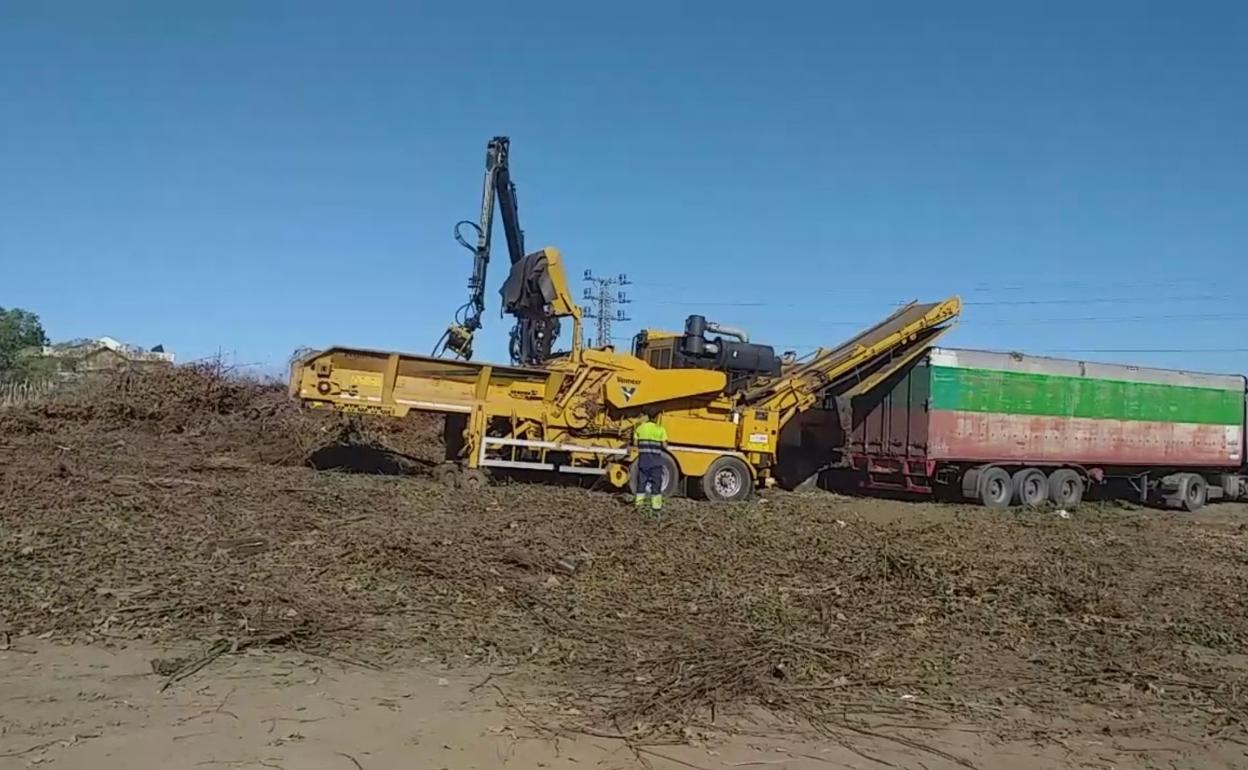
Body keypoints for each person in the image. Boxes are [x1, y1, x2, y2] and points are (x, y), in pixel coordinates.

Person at [632, 408, 669, 513]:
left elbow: (635, 443)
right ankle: (656, 507)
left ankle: (639, 505)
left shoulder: (640, 428)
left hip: (644, 461)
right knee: (656, 484)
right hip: (656, 462)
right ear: (656, 418)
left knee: (641, 483)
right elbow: (665, 446)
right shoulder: (660, 429)